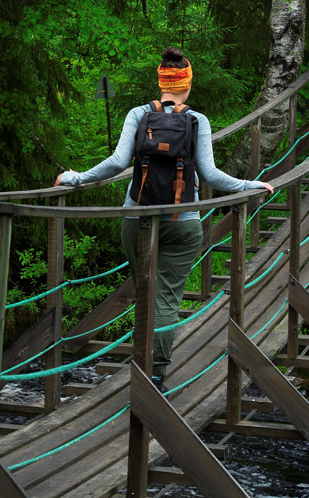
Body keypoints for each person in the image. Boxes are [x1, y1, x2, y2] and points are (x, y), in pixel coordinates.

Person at [55, 48, 273, 387]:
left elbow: (116, 163)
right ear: (187, 85)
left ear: (161, 82)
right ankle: (154, 376)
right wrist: (250, 185)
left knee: (145, 291)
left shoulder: (138, 115)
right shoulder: (197, 121)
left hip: (137, 219)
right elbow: (212, 176)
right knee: (166, 299)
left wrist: (77, 177)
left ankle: (139, 363)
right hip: (182, 223)